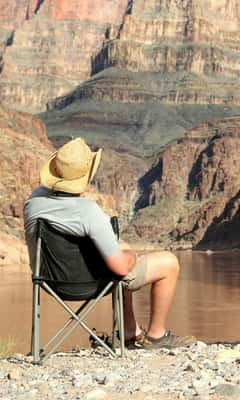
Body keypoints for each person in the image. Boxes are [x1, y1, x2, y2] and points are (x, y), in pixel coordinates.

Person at [24, 137, 195, 349]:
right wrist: (130, 254)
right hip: (92, 284)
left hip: (48, 281)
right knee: (167, 262)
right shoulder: (88, 212)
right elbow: (121, 267)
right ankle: (157, 336)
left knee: (117, 256)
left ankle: (130, 332)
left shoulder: (33, 202)